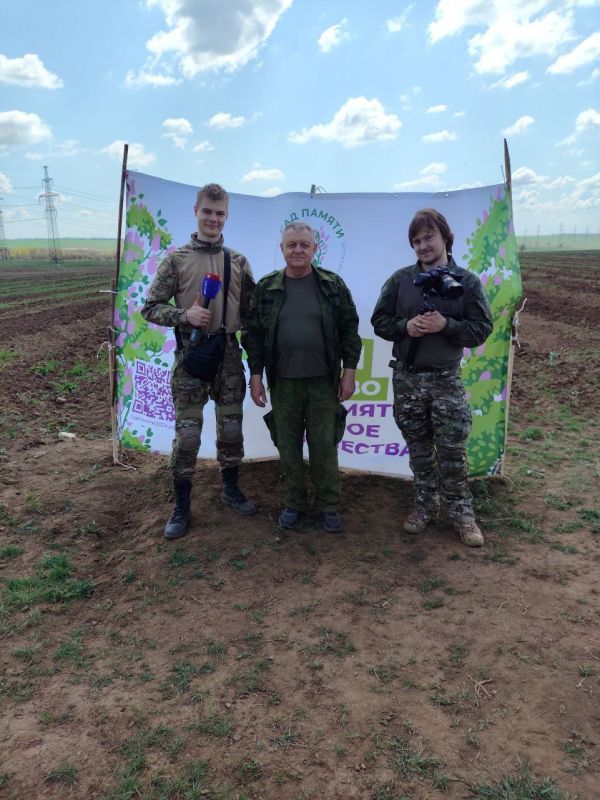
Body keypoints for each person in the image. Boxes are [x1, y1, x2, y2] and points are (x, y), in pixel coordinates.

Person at [371, 208, 493, 547]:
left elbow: (482, 329)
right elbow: (379, 321)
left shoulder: (466, 282)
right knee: (420, 451)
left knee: (453, 452)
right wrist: (404, 327)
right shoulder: (400, 281)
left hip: (446, 380)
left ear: (445, 238)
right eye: (416, 241)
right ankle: (425, 506)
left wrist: (447, 325)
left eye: (429, 238)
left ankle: (462, 515)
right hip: (408, 380)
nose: (423, 246)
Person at [141, 183, 256, 539]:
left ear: (227, 216)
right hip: (191, 356)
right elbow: (150, 308)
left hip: (229, 356)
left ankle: (230, 488)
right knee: (188, 436)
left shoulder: (238, 261)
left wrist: (259, 365)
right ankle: (182, 506)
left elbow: (252, 315)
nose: (213, 218)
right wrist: (184, 316)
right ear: (196, 211)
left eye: (220, 213)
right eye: (207, 211)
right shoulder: (176, 259)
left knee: (231, 429)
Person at [243, 221, 361, 533]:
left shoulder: (332, 285)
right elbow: (252, 335)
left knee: (324, 445)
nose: (297, 249)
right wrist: (255, 376)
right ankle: (294, 502)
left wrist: (349, 372)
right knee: (288, 445)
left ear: (314, 248)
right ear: (281, 248)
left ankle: (328, 505)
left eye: (304, 245)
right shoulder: (267, 288)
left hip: (323, 382)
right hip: (283, 382)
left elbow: (350, 330)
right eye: (291, 244)